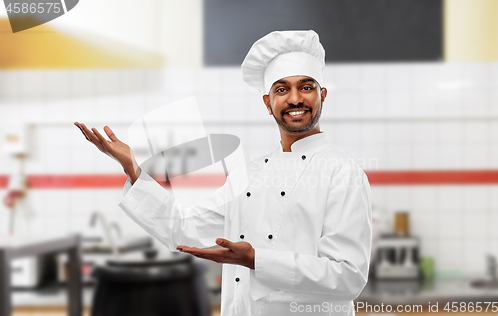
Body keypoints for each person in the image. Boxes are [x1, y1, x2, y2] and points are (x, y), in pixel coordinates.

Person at [75, 30, 372, 316]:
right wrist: (134, 168)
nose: (295, 99)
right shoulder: (250, 174)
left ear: (322, 94)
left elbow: (348, 276)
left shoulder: (343, 172)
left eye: (306, 87)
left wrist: (256, 260)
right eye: (282, 89)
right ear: (268, 103)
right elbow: (182, 227)